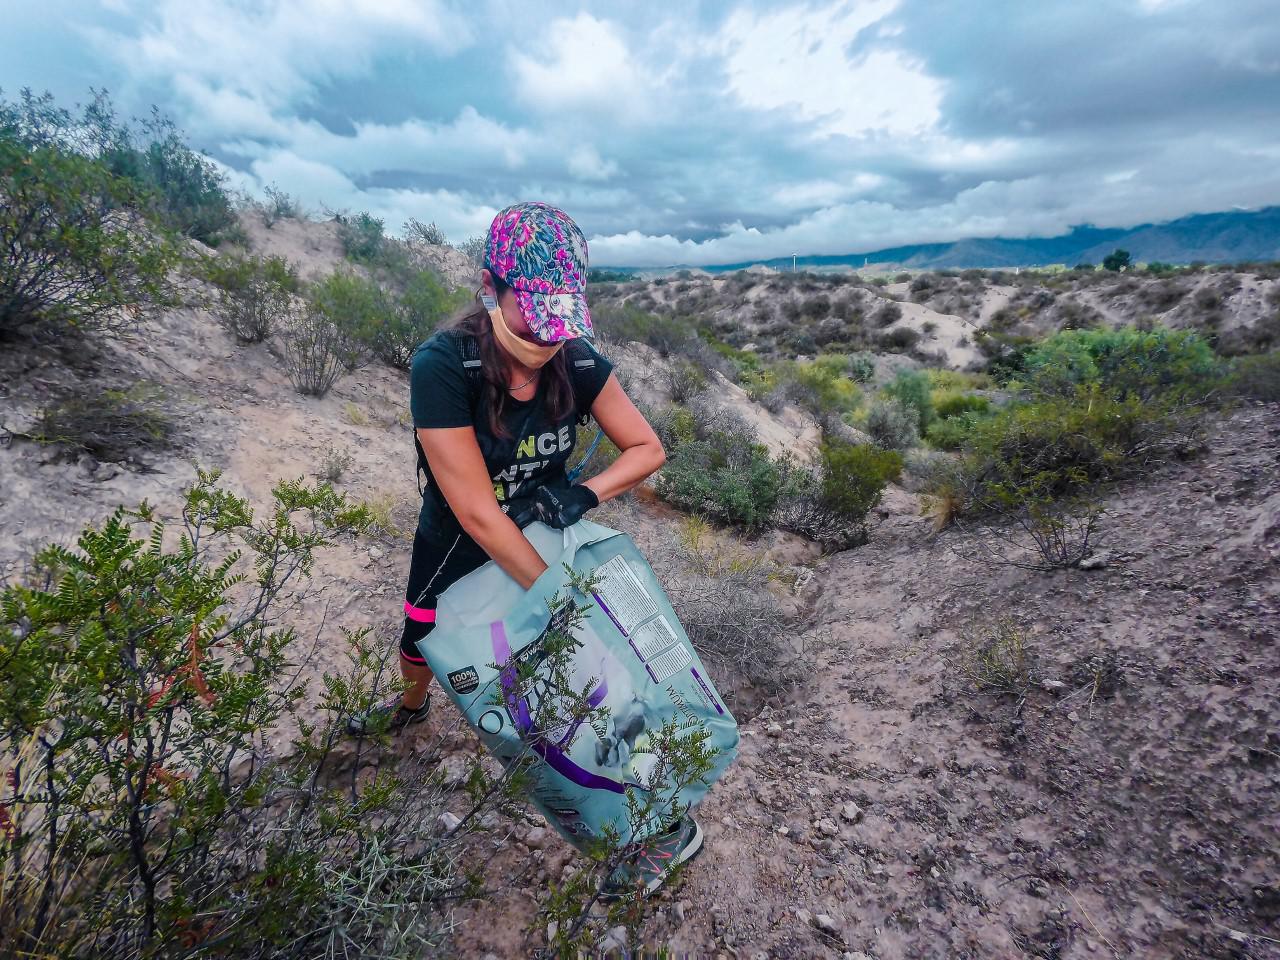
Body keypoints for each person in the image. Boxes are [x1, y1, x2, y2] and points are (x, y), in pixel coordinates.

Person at [346, 201, 701, 898]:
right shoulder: (445, 366)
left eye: (560, 314)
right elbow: (477, 511)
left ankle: (664, 826)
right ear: (490, 285)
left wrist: (586, 494)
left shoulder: (578, 358)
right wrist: (556, 597)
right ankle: (411, 708)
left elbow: (648, 447)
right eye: (532, 311)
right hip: (459, 541)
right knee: (420, 637)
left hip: (545, 535)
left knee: (576, 682)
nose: (546, 332)